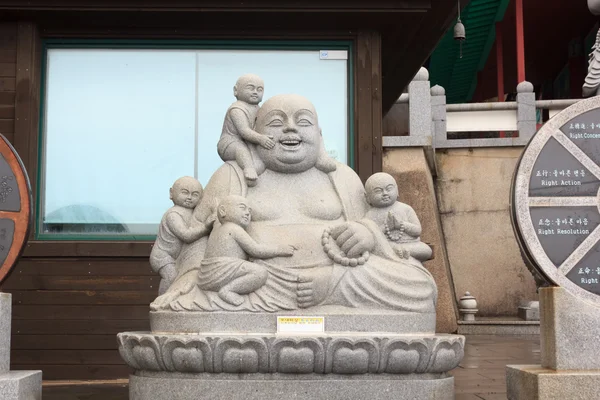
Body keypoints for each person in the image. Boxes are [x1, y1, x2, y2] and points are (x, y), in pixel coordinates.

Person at [152, 94, 437, 314]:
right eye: (276, 123)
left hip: (338, 277)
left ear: (319, 134)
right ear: (254, 135)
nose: (290, 129)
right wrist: (187, 277)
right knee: (195, 299)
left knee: (420, 287)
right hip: (258, 282)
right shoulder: (231, 176)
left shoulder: (342, 177)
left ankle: (330, 289)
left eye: (303, 122)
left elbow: (377, 236)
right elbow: (199, 241)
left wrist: (366, 234)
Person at [199, 195, 295, 306]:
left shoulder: (216, 227)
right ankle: (228, 290)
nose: (248, 213)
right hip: (224, 270)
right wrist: (279, 249)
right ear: (223, 211)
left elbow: (217, 218)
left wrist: (216, 209)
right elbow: (255, 250)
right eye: (242, 207)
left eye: (249, 210)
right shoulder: (234, 228)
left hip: (205, 277)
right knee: (260, 272)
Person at [150, 176, 213, 295]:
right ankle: (161, 300)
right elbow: (186, 235)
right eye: (185, 193)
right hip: (163, 256)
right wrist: (206, 227)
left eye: (195, 194)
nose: (189, 197)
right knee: (171, 277)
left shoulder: (193, 213)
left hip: (177, 256)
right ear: (171, 193)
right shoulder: (173, 214)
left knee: (179, 278)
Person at [216, 74, 272, 186]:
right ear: (236, 90)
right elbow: (244, 131)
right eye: (250, 88)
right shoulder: (237, 109)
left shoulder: (259, 109)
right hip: (230, 143)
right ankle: (249, 169)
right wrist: (261, 139)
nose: (255, 92)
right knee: (240, 149)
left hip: (250, 142)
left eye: (259, 89)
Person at [364, 172, 432, 262]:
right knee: (375, 250)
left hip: (409, 243)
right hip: (387, 245)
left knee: (426, 249)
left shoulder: (406, 209)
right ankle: (397, 250)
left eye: (389, 189)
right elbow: (370, 237)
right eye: (378, 191)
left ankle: (402, 251)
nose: (385, 193)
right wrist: (387, 227)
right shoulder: (370, 214)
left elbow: (417, 231)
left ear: (397, 191)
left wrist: (401, 225)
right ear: (367, 197)